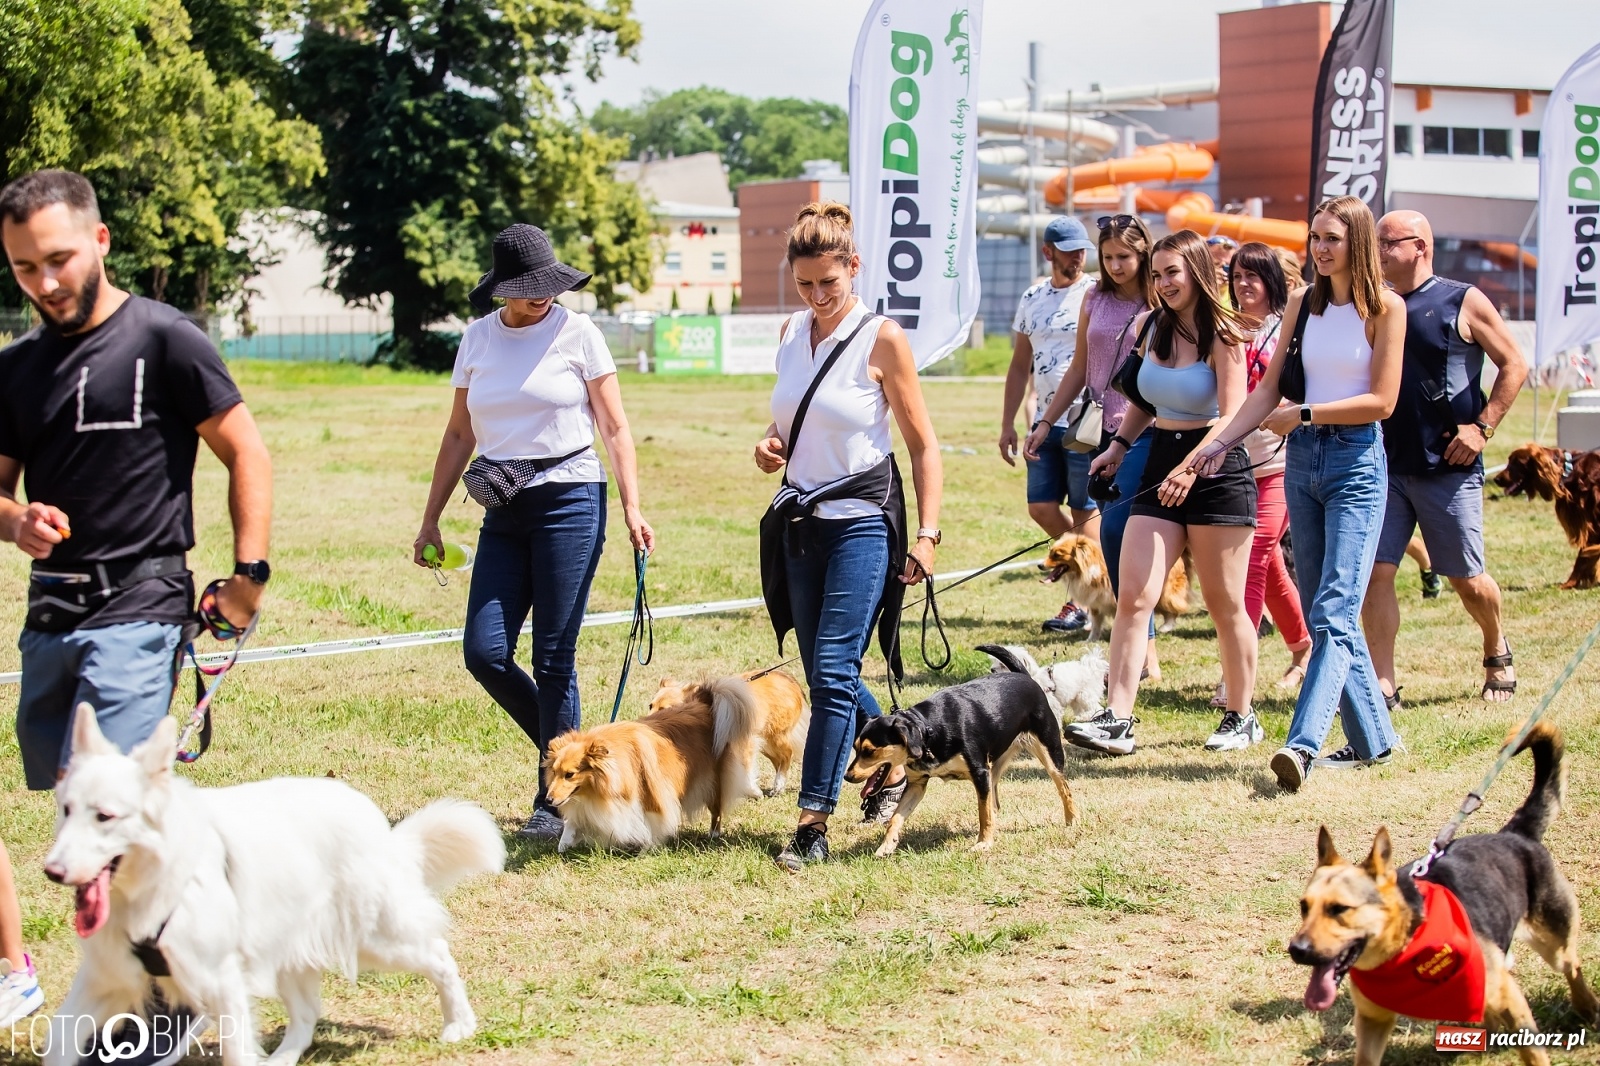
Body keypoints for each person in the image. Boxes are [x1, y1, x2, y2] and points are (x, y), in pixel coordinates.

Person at [0, 169, 272, 1063]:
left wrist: (249, 575)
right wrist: (14, 519)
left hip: (143, 606)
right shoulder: (17, 368)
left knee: (115, 810)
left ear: (102, 241)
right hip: (52, 617)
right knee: (79, 809)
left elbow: (244, 450)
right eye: (23, 268)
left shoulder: (165, 337)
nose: (43, 283)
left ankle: (159, 1009)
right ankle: (151, 981)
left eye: (58, 259)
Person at [414, 223, 654, 841]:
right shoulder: (477, 340)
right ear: (501, 291)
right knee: (484, 652)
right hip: (504, 509)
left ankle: (554, 800)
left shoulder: (579, 333)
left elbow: (615, 426)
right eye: (526, 290)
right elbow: (459, 434)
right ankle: (569, 753)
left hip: (572, 498)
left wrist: (632, 507)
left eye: (547, 286)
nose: (540, 298)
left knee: (553, 655)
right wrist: (431, 517)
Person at [754, 202, 942, 872]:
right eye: (805, 285)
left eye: (828, 283)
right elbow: (793, 425)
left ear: (853, 267)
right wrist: (771, 446)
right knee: (823, 672)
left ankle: (812, 824)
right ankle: (899, 754)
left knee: (832, 673)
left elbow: (923, 447)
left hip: (863, 522)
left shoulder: (881, 339)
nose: (817, 296)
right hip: (800, 523)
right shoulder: (788, 333)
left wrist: (928, 536)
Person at [1196, 195, 1406, 792]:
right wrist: (1220, 442)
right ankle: (1376, 742)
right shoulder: (1302, 302)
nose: (1319, 248)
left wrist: (1307, 413)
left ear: (1357, 242)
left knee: (1335, 610)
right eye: (1315, 237)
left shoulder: (1384, 308)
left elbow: (1383, 401)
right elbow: (1267, 394)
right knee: (1324, 606)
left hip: (1356, 461)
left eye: (1332, 238)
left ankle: (1302, 746)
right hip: (1304, 462)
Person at [1065, 229, 1260, 757]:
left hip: (1217, 471)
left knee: (1224, 605)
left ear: (1197, 272)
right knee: (1134, 598)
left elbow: (1235, 416)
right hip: (1160, 465)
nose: (1163, 283)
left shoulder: (1225, 334)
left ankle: (1242, 715)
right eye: (1157, 274)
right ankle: (1118, 720)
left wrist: (1194, 466)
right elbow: (1144, 400)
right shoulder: (1152, 326)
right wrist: (1119, 446)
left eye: (1172, 272)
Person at [1362, 210, 1528, 707]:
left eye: (1386, 243)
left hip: (1448, 465)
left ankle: (1495, 645)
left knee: (1466, 579)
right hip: (1384, 463)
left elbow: (1514, 363)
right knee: (1376, 572)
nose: (1377, 252)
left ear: (1420, 247)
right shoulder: (1373, 303)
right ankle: (1384, 684)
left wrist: (1483, 427)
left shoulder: (1462, 299)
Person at [1023, 214, 1159, 677]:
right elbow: (1080, 366)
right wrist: (1044, 421)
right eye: (1109, 257)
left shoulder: (1159, 298)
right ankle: (1139, 652)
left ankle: (1145, 654)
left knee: (1129, 541)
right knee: (1115, 540)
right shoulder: (1094, 297)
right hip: (1101, 431)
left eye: (1125, 257)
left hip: (1150, 432)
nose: (1116, 266)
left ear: (1143, 255)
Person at [1216, 242, 1311, 703]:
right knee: (1268, 566)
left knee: (1252, 562)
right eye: (1236, 276)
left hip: (1278, 462)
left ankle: (1236, 678)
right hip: (1234, 464)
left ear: (1273, 279)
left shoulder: (1289, 328)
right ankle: (1302, 647)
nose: (1244, 283)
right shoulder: (1226, 329)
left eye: (1254, 275)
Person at [998, 216, 1098, 633]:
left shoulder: (1095, 294)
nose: (1077, 256)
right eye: (1068, 249)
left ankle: (1087, 604)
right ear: (1048, 252)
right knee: (1040, 506)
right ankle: (1091, 580)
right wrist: (1007, 423)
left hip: (1085, 417)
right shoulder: (1032, 297)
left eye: (1081, 250)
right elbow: (1019, 365)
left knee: (1083, 512)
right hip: (1044, 421)